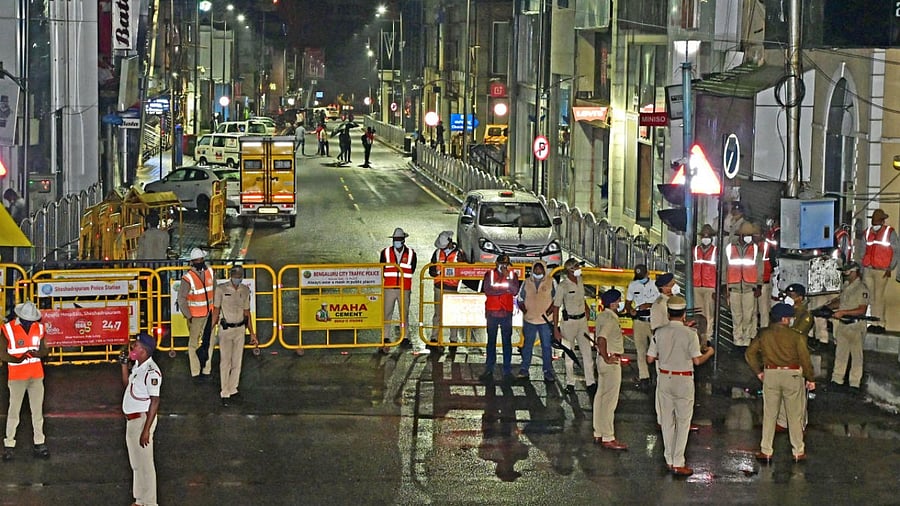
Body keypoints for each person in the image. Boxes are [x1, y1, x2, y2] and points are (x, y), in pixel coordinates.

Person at [647, 295, 715, 476]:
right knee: (683, 422)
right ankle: (678, 461)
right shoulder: (690, 334)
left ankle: (669, 459)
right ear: (684, 314)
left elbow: (650, 358)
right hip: (683, 379)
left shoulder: (659, 332)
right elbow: (697, 360)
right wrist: (709, 353)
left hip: (664, 378)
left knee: (667, 422)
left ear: (669, 313)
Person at [745, 303, 815, 463]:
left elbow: (749, 353)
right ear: (784, 319)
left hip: (771, 374)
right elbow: (805, 358)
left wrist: (759, 372)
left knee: (770, 414)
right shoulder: (796, 336)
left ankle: (766, 450)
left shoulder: (764, 334)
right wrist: (810, 378)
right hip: (792, 375)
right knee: (795, 415)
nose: (791, 320)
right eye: (790, 317)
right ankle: (798, 451)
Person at [1, 301, 50, 461]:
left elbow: (44, 349)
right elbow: (2, 354)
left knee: (37, 412)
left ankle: (39, 442)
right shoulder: (7, 329)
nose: (30, 322)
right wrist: (18, 358)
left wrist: (39, 354)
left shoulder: (39, 328)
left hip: (35, 375)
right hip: (17, 376)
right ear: (20, 317)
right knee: (14, 412)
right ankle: (9, 444)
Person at [121, 332, 161, 506]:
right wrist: (124, 365)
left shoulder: (152, 372)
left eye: (136, 346)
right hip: (132, 420)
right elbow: (126, 385)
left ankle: (150, 502)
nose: (132, 348)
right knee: (136, 463)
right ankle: (140, 500)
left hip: (142, 420)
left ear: (144, 350)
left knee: (146, 464)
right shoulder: (138, 366)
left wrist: (146, 429)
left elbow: (155, 401)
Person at [211, 266, 258, 407]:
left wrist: (252, 333)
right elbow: (216, 310)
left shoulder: (245, 290)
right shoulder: (221, 290)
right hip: (226, 329)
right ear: (231, 276)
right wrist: (210, 329)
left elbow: (247, 313)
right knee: (225, 362)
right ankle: (224, 392)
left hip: (240, 329)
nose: (238, 278)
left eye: (240, 275)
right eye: (236, 275)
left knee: (237, 361)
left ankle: (233, 389)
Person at [380, 228, 425, 354]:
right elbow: (382, 268)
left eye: (399, 239)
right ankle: (385, 337)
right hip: (389, 288)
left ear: (403, 240)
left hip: (404, 288)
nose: (397, 242)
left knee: (404, 314)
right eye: (395, 240)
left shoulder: (411, 253)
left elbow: (413, 269)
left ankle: (405, 337)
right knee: (386, 314)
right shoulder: (385, 252)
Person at [554, 258, 595, 394]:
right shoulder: (563, 286)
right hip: (568, 323)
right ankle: (570, 383)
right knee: (569, 354)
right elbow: (556, 307)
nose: (579, 268)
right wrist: (556, 329)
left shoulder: (580, 281)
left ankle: (591, 383)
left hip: (582, 321)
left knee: (587, 353)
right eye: (576, 266)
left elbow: (581, 298)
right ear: (570, 270)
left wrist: (587, 309)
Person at [593, 289, 627, 451]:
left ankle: (598, 431)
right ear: (613, 303)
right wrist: (607, 356)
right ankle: (608, 436)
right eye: (619, 301)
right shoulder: (611, 320)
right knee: (609, 401)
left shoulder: (601, 316)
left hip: (602, 361)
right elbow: (601, 339)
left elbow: (597, 338)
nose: (620, 304)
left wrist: (602, 355)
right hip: (610, 362)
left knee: (600, 397)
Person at [827, 262, 870, 392]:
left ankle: (854, 383)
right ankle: (837, 379)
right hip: (843, 325)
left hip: (856, 325)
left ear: (854, 271)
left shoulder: (861, 288)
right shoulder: (846, 286)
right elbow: (840, 301)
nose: (845, 274)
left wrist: (843, 313)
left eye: (847, 272)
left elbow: (862, 310)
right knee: (840, 354)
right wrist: (827, 307)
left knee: (856, 357)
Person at [479, 254, 520, 383]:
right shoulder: (489, 274)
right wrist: (504, 290)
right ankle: (489, 369)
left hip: (506, 312)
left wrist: (506, 277)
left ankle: (507, 371)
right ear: (496, 264)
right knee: (491, 341)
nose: (504, 266)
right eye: (502, 264)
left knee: (507, 342)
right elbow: (488, 290)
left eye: (506, 264)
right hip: (492, 312)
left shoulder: (512, 275)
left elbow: (514, 291)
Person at [177, 248, 216, 379]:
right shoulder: (189, 278)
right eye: (198, 260)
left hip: (206, 315)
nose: (200, 261)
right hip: (198, 316)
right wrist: (189, 316)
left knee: (205, 342)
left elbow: (215, 292)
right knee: (199, 343)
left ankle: (202, 370)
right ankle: (200, 370)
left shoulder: (208, 272)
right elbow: (181, 299)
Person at [516, 260, 556, 382]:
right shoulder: (526, 282)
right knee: (527, 346)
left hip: (545, 321)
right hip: (530, 321)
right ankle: (524, 369)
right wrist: (525, 311)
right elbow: (519, 298)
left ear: (544, 270)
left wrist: (549, 312)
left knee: (546, 346)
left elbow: (556, 299)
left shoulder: (551, 282)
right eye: (536, 269)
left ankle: (548, 370)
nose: (538, 271)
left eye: (540, 269)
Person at [860, 208, 899, 334]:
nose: (875, 224)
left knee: (879, 298)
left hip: (882, 270)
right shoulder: (867, 233)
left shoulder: (890, 232)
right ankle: (874, 322)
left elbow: (896, 251)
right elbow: (862, 251)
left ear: (882, 221)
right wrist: (862, 268)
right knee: (871, 298)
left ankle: (880, 323)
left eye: (877, 221)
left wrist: (890, 267)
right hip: (868, 269)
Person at [725, 221, 763, 347]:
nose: (749, 237)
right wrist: (724, 285)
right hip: (734, 287)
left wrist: (759, 286)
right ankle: (737, 340)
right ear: (740, 235)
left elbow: (759, 268)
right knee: (736, 316)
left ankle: (746, 340)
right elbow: (725, 267)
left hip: (749, 288)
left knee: (748, 316)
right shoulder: (730, 248)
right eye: (746, 235)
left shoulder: (756, 249)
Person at [428, 231, 466, 352]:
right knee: (438, 315)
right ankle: (434, 339)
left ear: (450, 242)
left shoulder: (459, 254)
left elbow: (464, 268)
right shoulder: (437, 252)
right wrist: (435, 272)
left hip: (452, 288)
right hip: (439, 287)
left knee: (453, 315)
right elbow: (431, 269)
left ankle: (453, 341)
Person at [624, 264, 659, 391]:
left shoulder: (655, 285)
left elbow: (662, 300)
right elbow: (628, 302)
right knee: (641, 351)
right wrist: (630, 309)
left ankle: (659, 376)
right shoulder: (633, 285)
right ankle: (644, 377)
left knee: (657, 350)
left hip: (653, 320)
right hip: (639, 321)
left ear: (647, 274)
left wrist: (649, 304)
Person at [692, 224, 718, 339]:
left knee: (709, 312)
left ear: (712, 238)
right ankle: (699, 334)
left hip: (710, 286)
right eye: (704, 236)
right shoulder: (695, 250)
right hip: (697, 285)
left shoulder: (716, 251)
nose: (705, 238)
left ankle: (707, 336)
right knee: (699, 312)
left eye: (708, 236)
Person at [755, 223, 775, 329]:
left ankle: (764, 329)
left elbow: (773, 264)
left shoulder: (768, 247)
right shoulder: (752, 247)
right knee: (754, 310)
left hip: (764, 281)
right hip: (752, 282)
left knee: (764, 309)